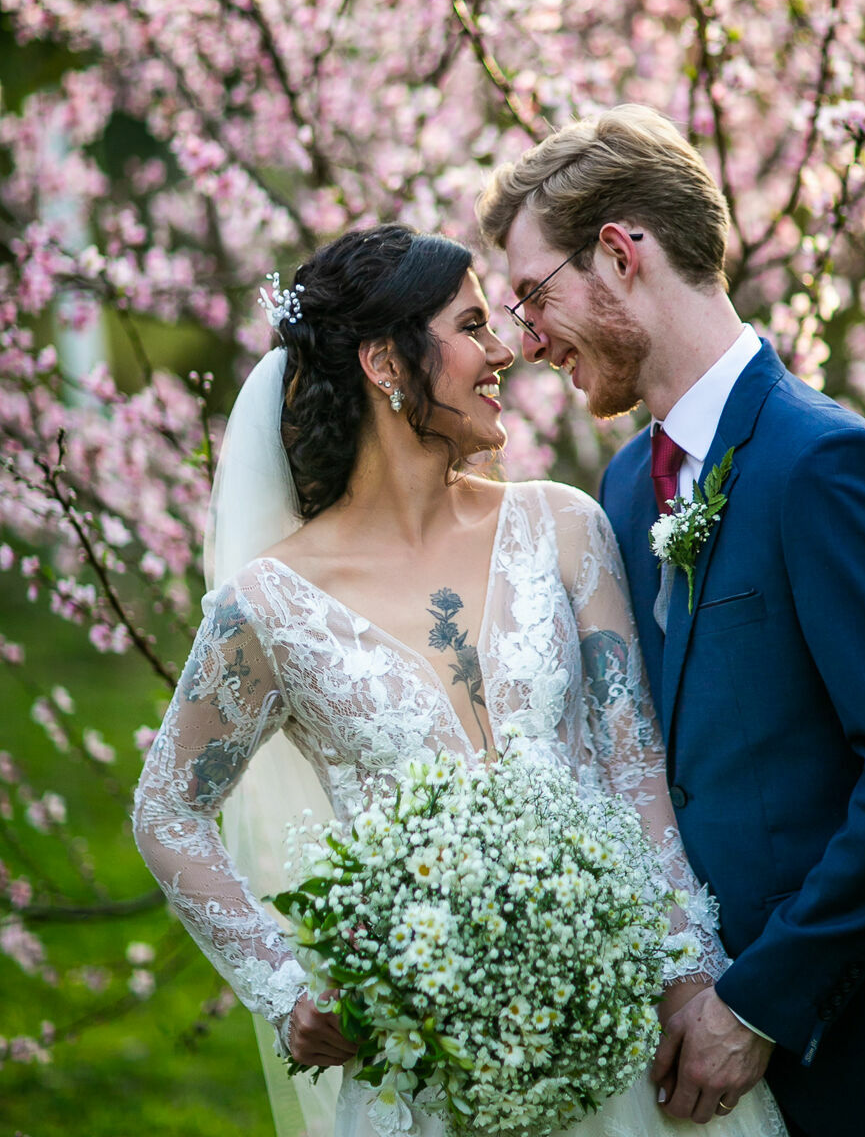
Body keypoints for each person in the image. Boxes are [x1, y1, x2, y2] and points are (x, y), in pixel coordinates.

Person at [133, 223, 785, 1137]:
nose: (505, 351)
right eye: (472, 327)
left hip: (624, 1042)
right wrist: (283, 988)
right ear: (383, 363)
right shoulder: (269, 607)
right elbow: (166, 810)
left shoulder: (564, 527)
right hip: (430, 1074)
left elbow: (635, 774)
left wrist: (691, 980)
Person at [477, 104, 865, 1137]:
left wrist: (758, 1003)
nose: (525, 340)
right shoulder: (622, 488)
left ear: (618, 255)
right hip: (718, 1082)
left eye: (531, 296)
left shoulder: (820, 462)